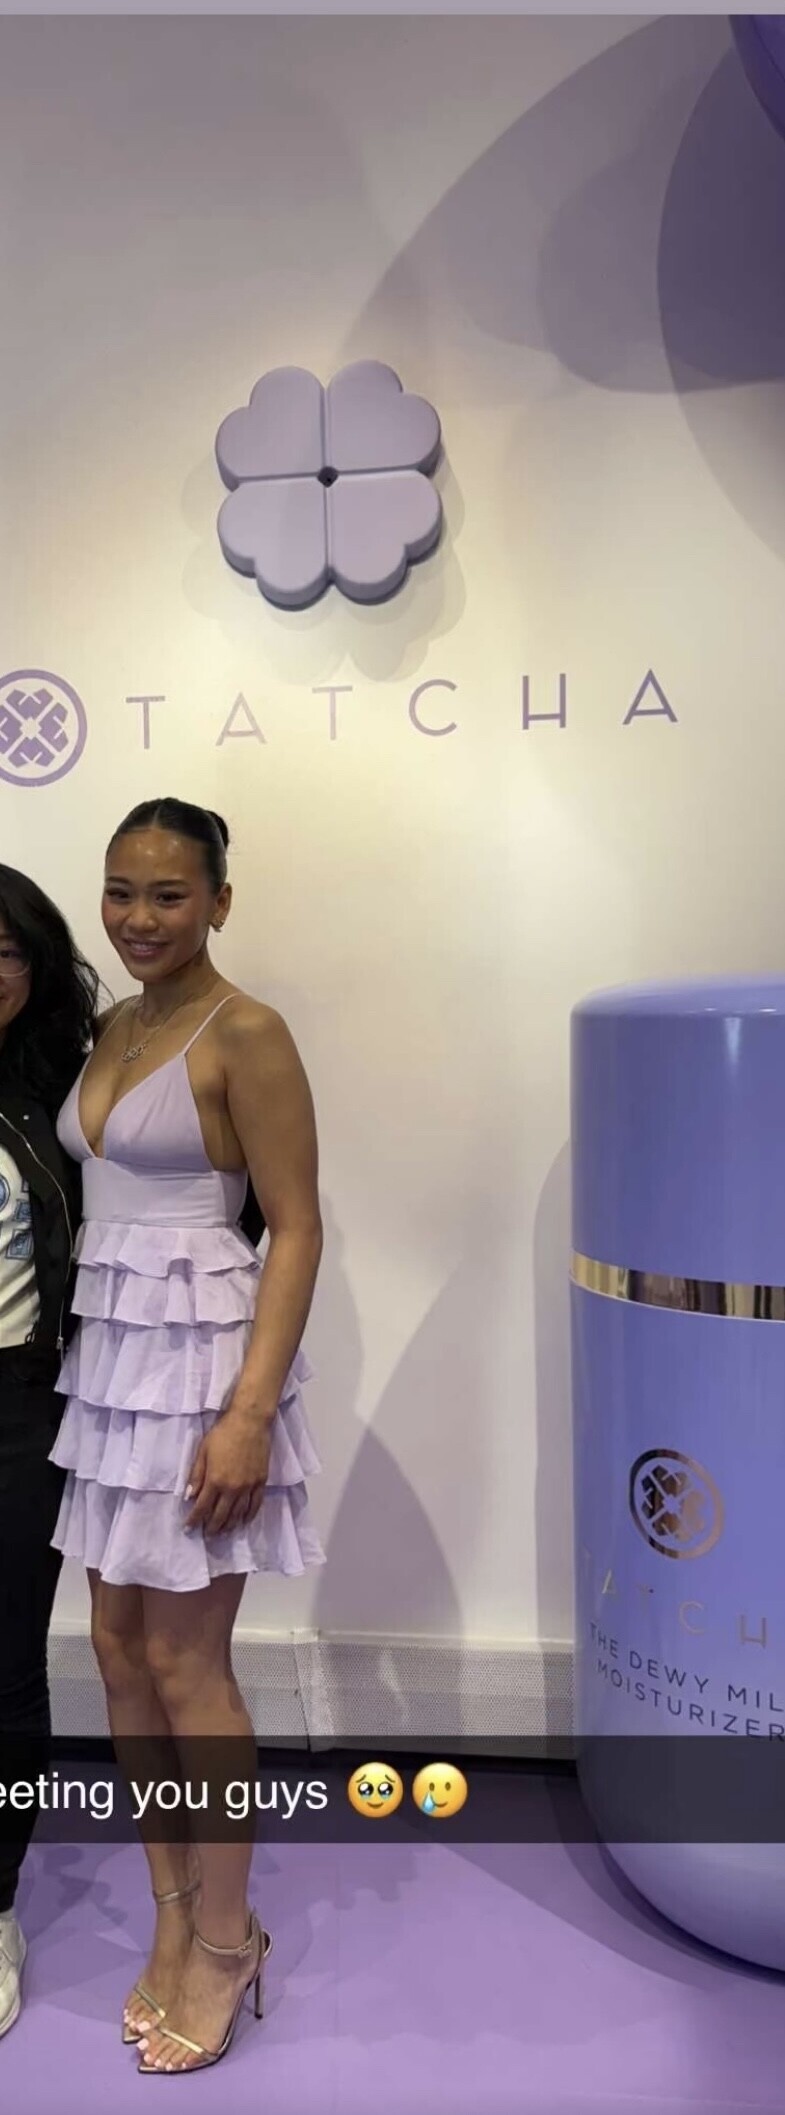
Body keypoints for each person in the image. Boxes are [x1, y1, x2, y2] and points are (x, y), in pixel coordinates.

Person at [50, 796, 324, 2075]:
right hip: (110, 1367)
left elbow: (297, 1226)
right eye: (121, 891)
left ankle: (225, 1939)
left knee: (184, 1663)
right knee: (116, 1651)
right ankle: (171, 1909)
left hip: (203, 1370)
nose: (138, 917)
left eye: (168, 894)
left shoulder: (246, 1031)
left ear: (219, 900)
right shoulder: (113, 1023)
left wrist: (249, 1412)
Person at [0, 867, 98, 2038]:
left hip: (18, 1409)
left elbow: (222, 1206)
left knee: (5, 1673)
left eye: (4, 951)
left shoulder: (64, 1093)